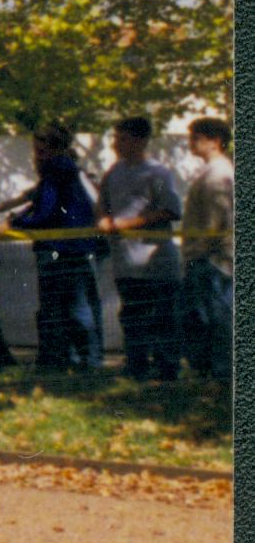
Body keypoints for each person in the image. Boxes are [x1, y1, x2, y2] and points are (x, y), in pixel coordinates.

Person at [0, 125, 102, 371]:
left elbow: (44, 211)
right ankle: (87, 360)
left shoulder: (55, 171)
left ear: (53, 149)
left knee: (55, 308)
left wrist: (11, 224)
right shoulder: (70, 171)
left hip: (57, 248)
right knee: (76, 307)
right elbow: (34, 201)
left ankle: (59, 360)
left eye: (40, 150)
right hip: (78, 247)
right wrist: (3, 213)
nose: (36, 156)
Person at [99, 116, 186, 381]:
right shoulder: (114, 172)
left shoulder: (157, 173)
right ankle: (136, 367)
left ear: (141, 140)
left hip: (155, 262)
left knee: (162, 318)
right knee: (132, 317)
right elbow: (102, 203)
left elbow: (172, 210)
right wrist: (103, 218)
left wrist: (129, 223)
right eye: (116, 138)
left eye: (123, 138)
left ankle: (167, 369)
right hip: (125, 262)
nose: (117, 144)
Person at [178, 118, 232, 381]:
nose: (191, 142)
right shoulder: (210, 172)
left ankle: (220, 373)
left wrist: (199, 251)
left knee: (215, 318)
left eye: (197, 137)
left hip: (211, 259)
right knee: (204, 317)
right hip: (206, 257)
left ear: (216, 141)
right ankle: (211, 371)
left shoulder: (217, 175)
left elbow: (214, 222)